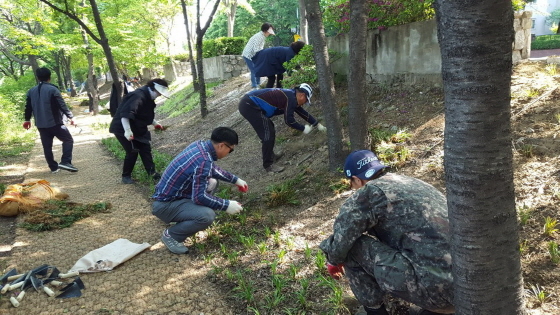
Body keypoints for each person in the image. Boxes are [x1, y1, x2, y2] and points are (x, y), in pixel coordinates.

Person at [320, 150, 455, 315]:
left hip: (435, 291)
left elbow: (339, 243)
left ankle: (376, 312)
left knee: (353, 249)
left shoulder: (369, 193)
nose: (353, 188)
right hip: (464, 286)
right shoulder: (410, 182)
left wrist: (332, 261)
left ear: (356, 179)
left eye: (352, 184)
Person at [151, 127, 249, 254]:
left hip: (170, 197)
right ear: (221, 146)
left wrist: (235, 180)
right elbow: (199, 197)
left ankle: (190, 215)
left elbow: (212, 170)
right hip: (165, 205)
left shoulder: (199, 146)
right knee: (207, 216)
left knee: (212, 181)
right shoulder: (203, 160)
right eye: (230, 150)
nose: (229, 153)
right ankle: (172, 235)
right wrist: (226, 205)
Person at [238, 83, 326, 173]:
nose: (304, 103)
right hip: (249, 104)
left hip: (249, 103)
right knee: (268, 133)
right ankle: (268, 165)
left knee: (269, 129)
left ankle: (271, 156)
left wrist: (317, 125)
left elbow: (302, 112)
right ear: (302, 95)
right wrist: (303, 128)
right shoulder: (291, 98)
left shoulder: (292, 96)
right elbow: (289, 121)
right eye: (306, 100)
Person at [109, 78, 170, 184]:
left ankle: (152, 173)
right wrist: (127, 131)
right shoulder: (138, 96)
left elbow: (143, 114)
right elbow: (125, 114)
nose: (160, 95)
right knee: (133, 150)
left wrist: (155, 124)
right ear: (154, 89)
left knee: (145, 148)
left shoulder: (148, 97)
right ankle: (126, 176)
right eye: (159, 93)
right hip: (122, 127)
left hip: (137, 127)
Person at [23, 67, 78, 173]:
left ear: (38, 78)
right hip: (55, 123)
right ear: (49, 77)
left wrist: (27, 120)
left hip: (40, 124)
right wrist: (71, 117)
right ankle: (65, 162)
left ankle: (53, 168)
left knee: (47, 146)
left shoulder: (31, 91)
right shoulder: (53, 89)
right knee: (68, 140)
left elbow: (28, 107)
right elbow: (62, 105)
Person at [242, 23, 275, 90]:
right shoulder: (259, 37)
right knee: (254, 70)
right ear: (265, 31)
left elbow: (260, 48)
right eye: (269, 32)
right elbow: (256, 49)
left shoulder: (262, 36)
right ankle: (254, 86)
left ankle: (258, 84)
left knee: (258, 68)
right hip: (248, 55)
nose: (269, 34)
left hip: (254, 55)